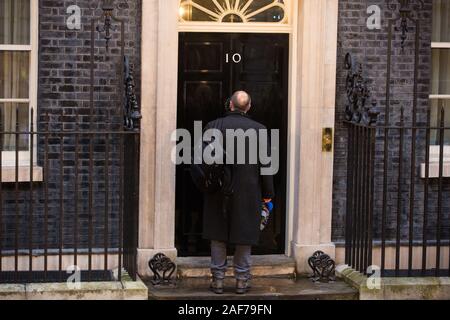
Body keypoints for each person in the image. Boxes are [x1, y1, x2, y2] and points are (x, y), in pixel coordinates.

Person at [202, 91, 275, 295]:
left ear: (230, 105)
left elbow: (203, 161)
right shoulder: (260, 130)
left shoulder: (213, 127)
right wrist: (268, 193)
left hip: (218, 190)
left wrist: (205, 186)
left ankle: (217, 281)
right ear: (248, 107)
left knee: (218, 236)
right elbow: (267, 166)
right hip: (249, 190)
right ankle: (242, 282)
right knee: (244, 236)